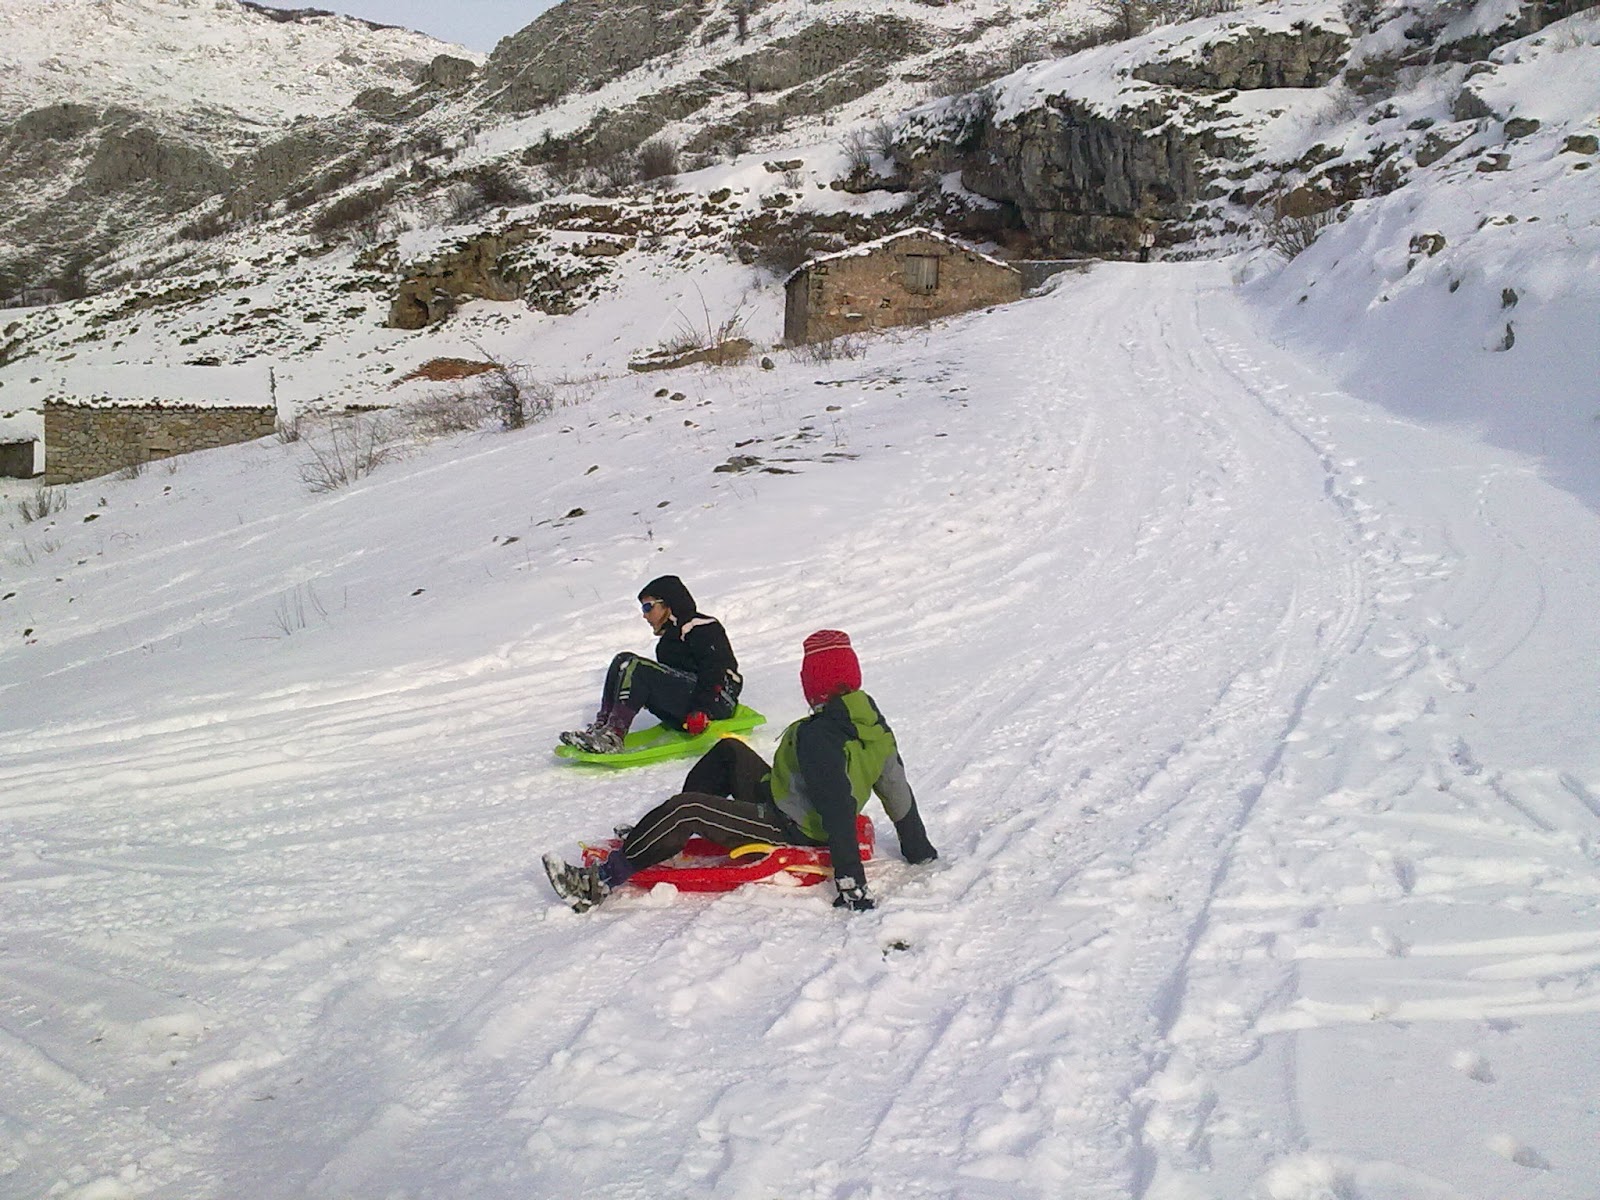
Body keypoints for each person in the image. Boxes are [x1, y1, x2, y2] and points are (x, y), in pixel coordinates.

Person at [545, 629, 938, 913]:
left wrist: (851, 882)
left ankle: (599, 883)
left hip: (791, 825)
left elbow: (836, 805)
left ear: (814, 682)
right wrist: (918, 849)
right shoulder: (872, 724)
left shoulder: (820, 735)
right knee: (730, 751)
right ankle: (663, 832)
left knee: (688, 809)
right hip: (789, 797)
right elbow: (897, 790)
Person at [560, 575, 742, 754]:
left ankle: (613, 736)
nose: (644, 615)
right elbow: (671, 682)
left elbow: (715, 670)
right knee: (622, 660)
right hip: (693, 706)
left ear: (668, 604)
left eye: (648, 607)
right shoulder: (665, 645)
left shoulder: (702, 626)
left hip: (718, 701)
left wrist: (702, 709)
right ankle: (602, 728)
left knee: (636, 667)